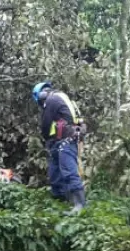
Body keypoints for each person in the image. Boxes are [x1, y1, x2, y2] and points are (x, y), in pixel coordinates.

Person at [32, 81, 88, 212]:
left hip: (66, 140)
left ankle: (80, 205)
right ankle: (61, 202)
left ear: (41, 95)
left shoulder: (52, 99)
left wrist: (46, 138)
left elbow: (45, 125)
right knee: (55, 173)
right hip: (59, 142)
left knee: (69, 171)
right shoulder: (61, 98)